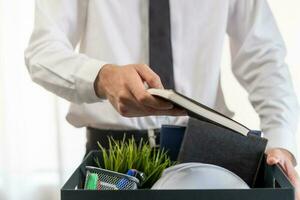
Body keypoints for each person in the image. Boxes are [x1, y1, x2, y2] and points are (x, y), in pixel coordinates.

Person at [25, 0, 300, 197]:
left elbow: (264, 59)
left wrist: (281, 142)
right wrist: (101, 76)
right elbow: (42, 52)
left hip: (211, 153)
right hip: (115, 160)